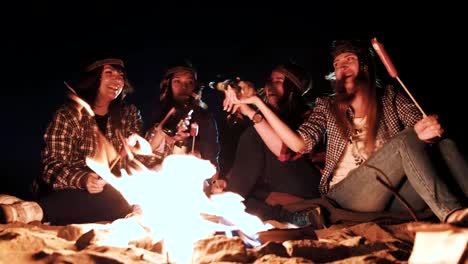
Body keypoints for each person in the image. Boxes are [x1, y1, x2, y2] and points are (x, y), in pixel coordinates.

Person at [225, 40, 468, 226]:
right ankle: (452, 215)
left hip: (392, 195)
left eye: (348, 60)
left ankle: (463, 211)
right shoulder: (327, 107)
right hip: (348, 195)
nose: (341, 67)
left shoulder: (392, 98)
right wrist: (256, 103)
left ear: (365, 66)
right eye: (337, 64)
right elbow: (297, 145)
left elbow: (422, 131)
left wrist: (431, 132)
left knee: (445, 146)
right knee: (405, 140)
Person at [1, 57, 155, 225]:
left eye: (120, 75)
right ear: (93, 78)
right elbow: (51, 166)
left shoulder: (129, 113)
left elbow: (141, 161)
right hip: (69, 191)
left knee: (124, 195)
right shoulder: (69, 115)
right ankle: (27, 212)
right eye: (109, 73)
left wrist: (136, 149)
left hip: (111, 191)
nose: (117, 79)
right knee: (104, 197)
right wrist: (83, 179)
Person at [222, 63, 323, 227]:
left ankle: (230, 201)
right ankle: (291, 216)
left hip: (307, 185)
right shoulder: (267, 113)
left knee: (255, 134)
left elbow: (286, 151)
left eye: (278, 80)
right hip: (276, 187)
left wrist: (252, 109)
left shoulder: (310, 115)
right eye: (269, 80)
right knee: (246, 201)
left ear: (293, 87)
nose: (270, 85)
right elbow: (247, 160)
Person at [146, 63, 220, 172]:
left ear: (195, 87)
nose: (184, 87)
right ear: (169, 84)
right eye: (177, 81)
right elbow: (142, 151)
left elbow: (211, 158)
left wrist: (196, 153)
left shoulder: (205, 118)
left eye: (189, 82)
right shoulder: (156, 111)